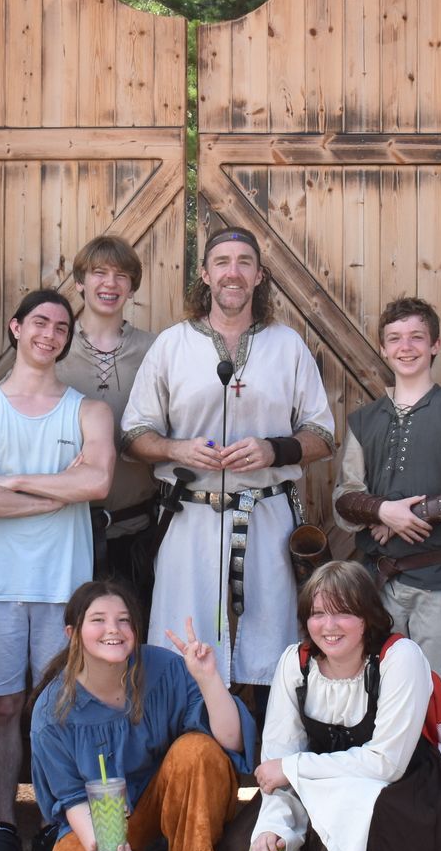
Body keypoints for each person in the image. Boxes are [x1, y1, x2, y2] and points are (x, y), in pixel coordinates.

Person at [122, 228, 335, 702]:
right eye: (221, 262)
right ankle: (191, 764)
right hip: (189, 518)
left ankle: (266, 764)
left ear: (259, 276)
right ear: (205, 274)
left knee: (269, 651)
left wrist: (274, 450)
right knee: (184, 648)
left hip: (266, 517)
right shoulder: (173, 345)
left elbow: (322, 437)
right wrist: (176, 449)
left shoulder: (288, 345)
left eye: (244, 262)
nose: (232, 272)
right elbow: (134, 435)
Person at [213, 561, 441, 851]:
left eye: (343, 612)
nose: (329, 626)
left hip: (398, 784)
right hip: (319, 779)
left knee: (369, 820)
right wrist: (277, 825)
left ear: (367, 617)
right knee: (246, 844)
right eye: (318, 613)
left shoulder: (400, 658)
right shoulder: (295, 663)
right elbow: (277, 761)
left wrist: (295, 769)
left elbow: (386, 763)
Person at [0, 290, 116, 851]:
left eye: (61, 327)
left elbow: (97, 484)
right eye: (39, 322)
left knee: (65, 706)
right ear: (15, 326)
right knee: (4, 707)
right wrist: (54, 490)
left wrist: (15, 480)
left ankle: (57, 821)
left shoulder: (87, 411)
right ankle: (2, 821)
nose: (49, 334)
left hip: (65, 585)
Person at [333, 296, 441, 785]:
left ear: (436, 344)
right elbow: (344, 499)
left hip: (440, 584)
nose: (407, 347)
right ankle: (378, 814)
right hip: (375, 584)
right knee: (372, 697)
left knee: (437, 699)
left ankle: (437, 818)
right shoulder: (364, 420)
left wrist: (405, 515)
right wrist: (380, 511)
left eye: (417, 337)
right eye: (396, 338)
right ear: (383, 348)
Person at [29, 581, 254, 851]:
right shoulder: (53, 710)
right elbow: (71, 797)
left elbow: (230, 740)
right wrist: (99, 847)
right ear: (72, 633)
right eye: (98, 620)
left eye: (123, 620)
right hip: (102, 818)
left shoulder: (164, 670)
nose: (113, 630)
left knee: (197, 750)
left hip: (163, 799)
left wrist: (209, 680)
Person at [54, 235, 160, 602]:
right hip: (64, 528)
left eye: (121, 275)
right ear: (80, 283)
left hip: (138, 532)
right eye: (99, 273)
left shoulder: (156, 350)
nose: (110, 283)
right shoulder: (51, 348)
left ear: (132, 287)